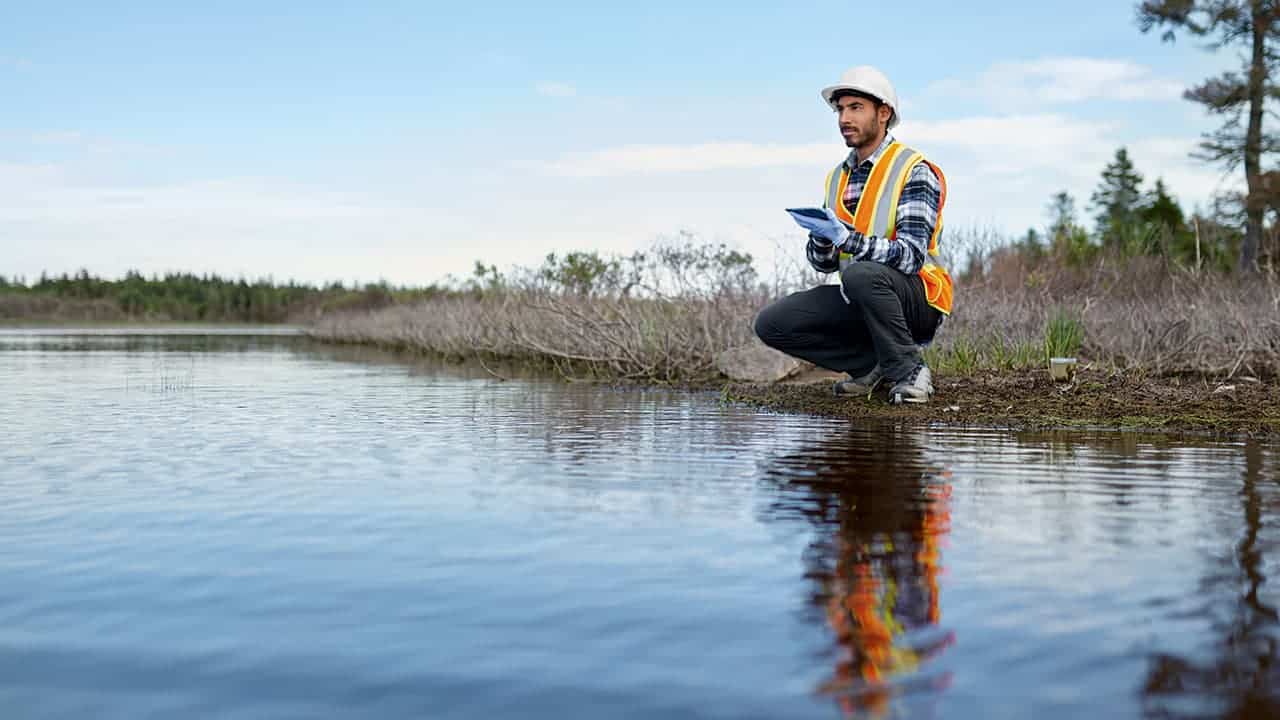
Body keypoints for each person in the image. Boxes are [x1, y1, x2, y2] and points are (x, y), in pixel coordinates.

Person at [754, 66, 954, 404]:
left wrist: (847, 239)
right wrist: (821, 236)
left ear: (884, 113)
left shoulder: (914, 170)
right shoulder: (837, 178)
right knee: (773, 322)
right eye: (841, 109)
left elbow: (910, 255)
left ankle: (909, 371)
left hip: (918, 301)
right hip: (860, 295)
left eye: (856, 108)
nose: (844, 118)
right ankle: (870, 366)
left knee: (862, 274)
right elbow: (824, 264)